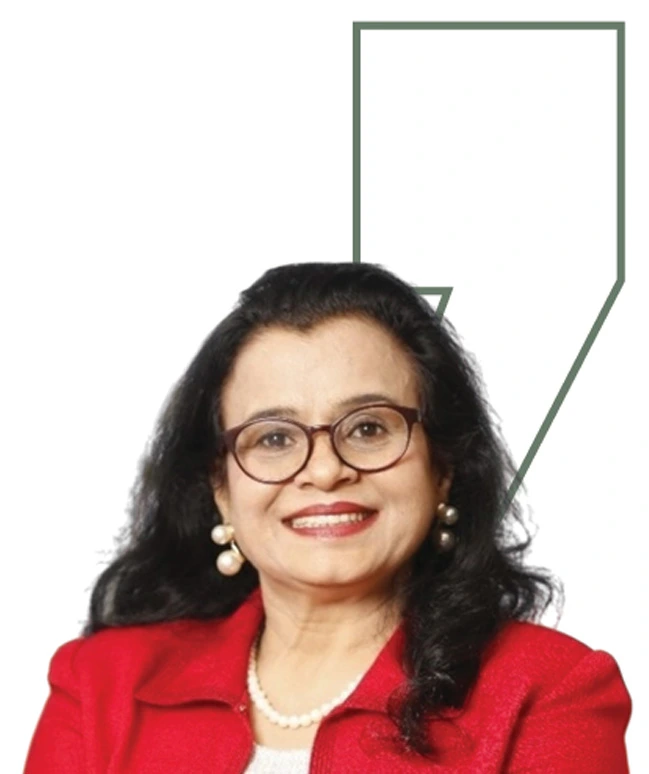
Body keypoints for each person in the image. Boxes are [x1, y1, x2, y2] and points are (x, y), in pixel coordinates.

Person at [25, 262, 631, 773]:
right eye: (274, 438)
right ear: (221, 488)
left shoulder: (550, 692)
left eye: (368, 428)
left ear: (442, 467)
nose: (323, 470)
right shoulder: (98, 686)